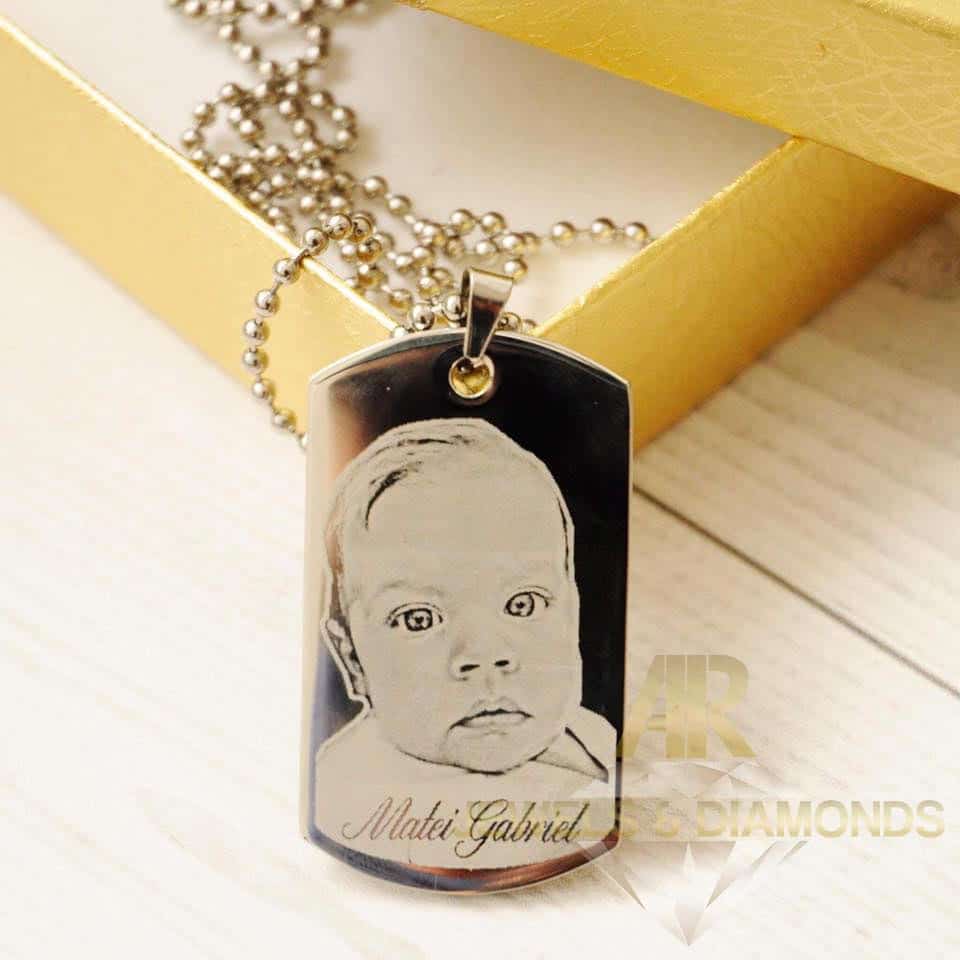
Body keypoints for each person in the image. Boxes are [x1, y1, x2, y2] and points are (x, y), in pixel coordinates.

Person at [312, 418, 616, 868]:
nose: (484, 655)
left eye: (523, 604)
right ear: (352, 659)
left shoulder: (595, 738)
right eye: (418, 619)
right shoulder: (353, 793)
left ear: (573, 613)